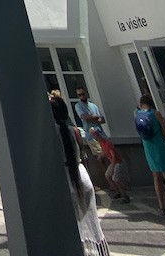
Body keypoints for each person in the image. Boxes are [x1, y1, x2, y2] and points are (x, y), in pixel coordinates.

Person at [50, 95, 109, 256]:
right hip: (82, 175)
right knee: (92, 221)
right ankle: (100, 251)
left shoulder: (51, 133)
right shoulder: (74, 130)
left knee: (74, 227)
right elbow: (82, 154)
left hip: (67, 179)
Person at [135, 94, 165, 217]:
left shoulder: (138, 114)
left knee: (156, 176)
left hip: (148, 147)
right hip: (159, 145)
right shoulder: (156, 114)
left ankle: (161, 207)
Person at [89, 128, 130, 203]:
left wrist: (112, 165)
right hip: (113, 162)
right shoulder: (102, 143)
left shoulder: (107, 143)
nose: (95, 138)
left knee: (116, 179)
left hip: (116, 162)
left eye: (96, 136)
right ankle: (118, 192)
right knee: (108, 176)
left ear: (99, 135)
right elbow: (105, 152)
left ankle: (125, 196)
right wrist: (101, 156)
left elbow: (113, 155)